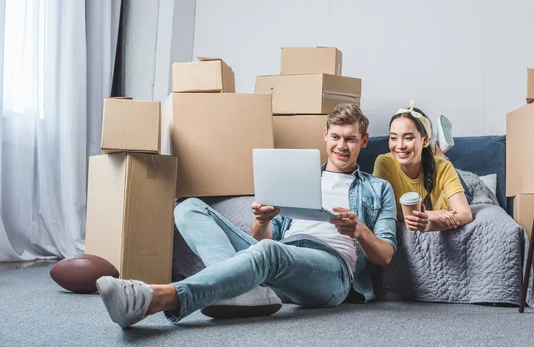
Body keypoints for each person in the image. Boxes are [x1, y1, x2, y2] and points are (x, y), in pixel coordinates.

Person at [95, 103, 397, 328]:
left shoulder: (378, 188)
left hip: (332, 274)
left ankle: (158, 297)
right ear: (325, 135)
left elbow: (384, 255)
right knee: (188, 207)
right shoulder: (301, 177)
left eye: (350, 139)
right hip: (283, 255)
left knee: (270, 252)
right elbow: (261, 239)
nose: (341, 146)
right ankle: (245, 293)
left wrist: (359, 231)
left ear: (364, 140)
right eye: (336, 137)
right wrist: (264, 220)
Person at [372, 100, 472, 232]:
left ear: (424, 140)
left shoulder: (444, 167)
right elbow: (381, 210)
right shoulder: (384, 162)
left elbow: (465, 214)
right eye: (394, 138)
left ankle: (438, 151)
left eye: (408, 138)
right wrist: (429, 215)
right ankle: (437, 149)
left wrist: (430, 224)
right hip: (435, 195)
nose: (400, 145)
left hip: (446, 193)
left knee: (469, 195)